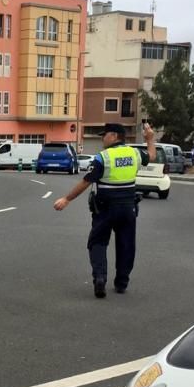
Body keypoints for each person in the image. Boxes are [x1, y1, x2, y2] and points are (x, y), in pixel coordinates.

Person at [53, 123, 156, 298]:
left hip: (105, 209)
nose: (102, 138)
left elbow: (86, 181)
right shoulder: (134, 153)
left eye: (105, 135)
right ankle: (122, 282)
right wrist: (150, 139)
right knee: (126, 244)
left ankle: (100, 277)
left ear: (115, 136)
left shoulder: (103, 157)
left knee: (97, 242)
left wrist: (67, 199)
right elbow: (152, 156)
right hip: (128, 208)